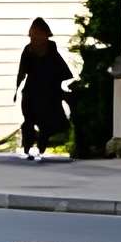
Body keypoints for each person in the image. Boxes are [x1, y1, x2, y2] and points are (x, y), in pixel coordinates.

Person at [14, 18, 72, 160]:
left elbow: (60, 70)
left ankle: (37, 147)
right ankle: (30, 148)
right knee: (30, 121)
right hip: (34, 91)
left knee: (42, 122)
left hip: (46, 92)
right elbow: (22, 71)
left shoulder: (49, 50)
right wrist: (16, 89)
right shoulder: (29, 50)